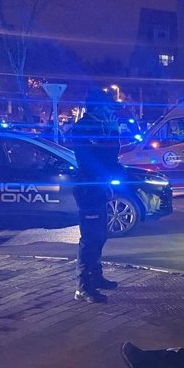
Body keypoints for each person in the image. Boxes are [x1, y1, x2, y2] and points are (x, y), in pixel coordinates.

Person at [70, 89, 123, 303]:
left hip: (99, 188)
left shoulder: (102, 128)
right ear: (96, 107)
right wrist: (109, 136)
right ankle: (83, 286)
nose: (109, 111)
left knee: (100, 236)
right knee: (90, 239)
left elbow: (112, 157)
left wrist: (113, 133)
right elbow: (95, 159)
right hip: (88, 188)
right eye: (106, 107)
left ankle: (96, 276)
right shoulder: (82, 128)